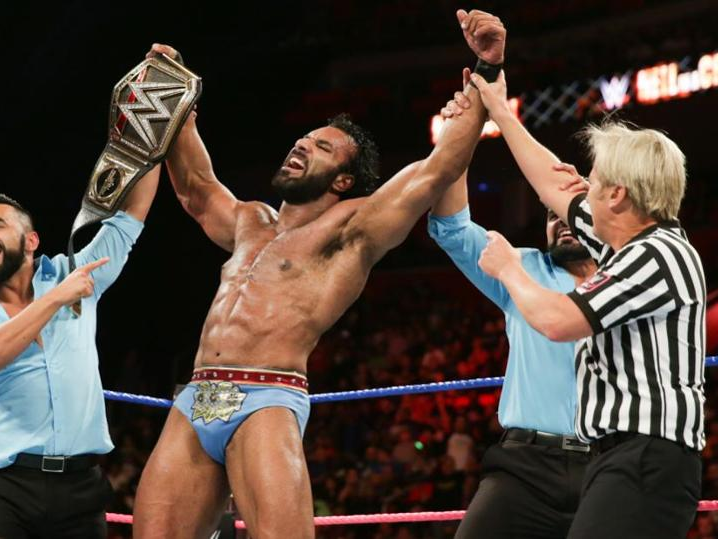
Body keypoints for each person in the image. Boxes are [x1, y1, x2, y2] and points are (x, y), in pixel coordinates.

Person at [133, 9, 506, 539]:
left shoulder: (353, 227)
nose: (303, 145)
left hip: (266, 396)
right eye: (304, 139)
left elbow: (439, 166)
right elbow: (196, 187)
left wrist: (487, 69)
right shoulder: (249, 221)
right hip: (197, 394)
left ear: (343, 180)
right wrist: (173, 99)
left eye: (322, 147)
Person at [466, 70, 706, 538]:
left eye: (592, 182)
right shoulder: (622, 244)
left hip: (647, 458)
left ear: (617, 195)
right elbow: (551, 184)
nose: (581, 186)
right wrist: (499, 109)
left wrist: (510, 269)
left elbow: (559, 321)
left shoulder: (656, 255)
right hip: (620, 456)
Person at [0, 165, 161, 539]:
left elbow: (130, 218)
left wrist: (157, 142)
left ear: (31, 241)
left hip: (82, 489)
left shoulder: (74, 273)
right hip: (7, 490)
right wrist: (58, 297)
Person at [427, 120, 596, 536]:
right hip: (524, 466)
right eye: (551, 214)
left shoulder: (632, 278)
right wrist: (459, 138)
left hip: (608, 465)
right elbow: (452, 228)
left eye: (571, 210)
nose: (560, 221)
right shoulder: (520, 267)